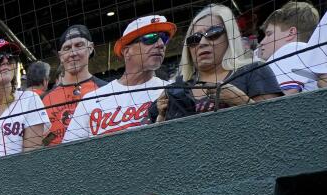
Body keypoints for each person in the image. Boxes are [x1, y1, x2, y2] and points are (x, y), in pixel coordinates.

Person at [154, 5, 283, 120]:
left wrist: (240, 100)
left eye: (213, 33)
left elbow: (276, 123)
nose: (202, 43)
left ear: (230, 37)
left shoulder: (254, 71)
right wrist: (161, 118)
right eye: (195, 38)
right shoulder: (175, 90)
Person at [63, 15, 175, 143]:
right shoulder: (92, 99)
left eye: (164, 38)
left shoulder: (171, 92)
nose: (160, 44)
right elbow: (69, 153)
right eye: (150, 38)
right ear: (126, 52)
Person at [43, 25, 104, 145]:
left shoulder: (106, 90)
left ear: (90, 48)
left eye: (79, 45)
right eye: (67, 48)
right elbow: (41, 142)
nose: (73, 53)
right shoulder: (43, 100)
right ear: (60, 56)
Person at [255, 2, 326, 94]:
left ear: (291, 32)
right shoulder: (310, 54)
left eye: (269, 34)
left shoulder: (292, 48)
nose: (262, 42)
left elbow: (282, 99)